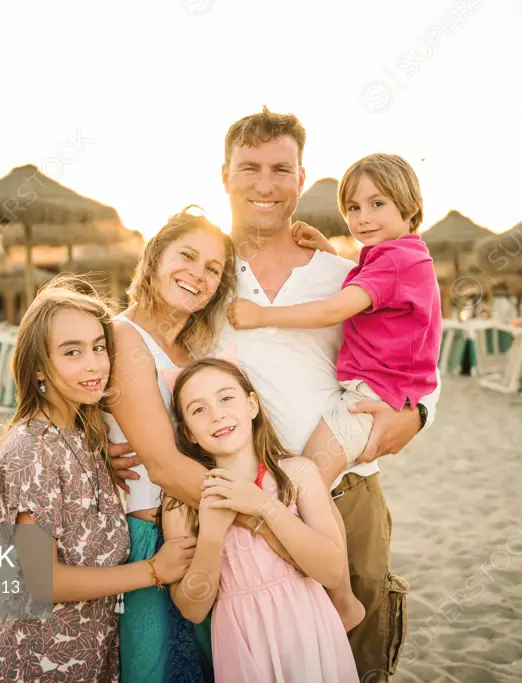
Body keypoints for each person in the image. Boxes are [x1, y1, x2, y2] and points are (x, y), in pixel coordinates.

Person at [115, 107, 440, 681]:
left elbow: (418, 351)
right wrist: (108, 443)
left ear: (300, 176)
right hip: (236, 512)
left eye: (280, 169)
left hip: (345, 495)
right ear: (224, 174)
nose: (265, 184)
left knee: (357, 658)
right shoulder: (203, 274)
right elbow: (142, 354)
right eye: (250, 167)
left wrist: (416, 416)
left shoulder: (345, 273)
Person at [0, 276, 195, 683]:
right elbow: (41, 578)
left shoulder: (83, 435)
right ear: (38, 369)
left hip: (93, 653)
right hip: (41, 661)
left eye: (99, 347)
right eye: (72, 352)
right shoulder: (30, 450)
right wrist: (153, 571)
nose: (94, 364)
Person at [102, 207, 239, 682]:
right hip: (152, 539)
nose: (196, 275)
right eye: (187, 256)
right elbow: (161, 465)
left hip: (206, 527)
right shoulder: (123, 336)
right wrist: (264, 510)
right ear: (156, 256)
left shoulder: (196, 354)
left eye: (212, 269)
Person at [162, 357, 359, 683]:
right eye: (198, 410)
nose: (217, 414)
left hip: (309, 629)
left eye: (226, 398)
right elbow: (193, 609)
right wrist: (211, 534)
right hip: (242, 642)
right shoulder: (182, 503)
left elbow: (331, 570)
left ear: (252, 404)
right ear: (189, 433)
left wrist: (266, 507)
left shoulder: (297, 475)